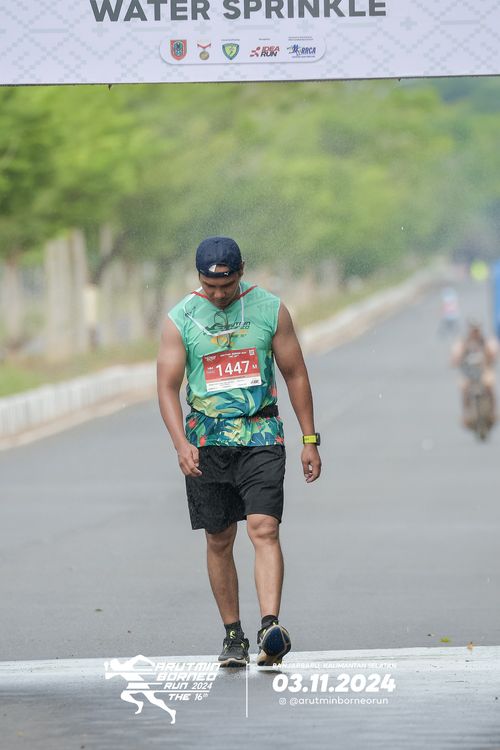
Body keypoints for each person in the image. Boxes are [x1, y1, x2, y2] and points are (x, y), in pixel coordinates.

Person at [157, 236, 321, 668]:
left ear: (241, 271)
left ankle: (270, 627)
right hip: (206, 443)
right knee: (219, 537)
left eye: (226, 286)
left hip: (261, 434)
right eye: (210, 286)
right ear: (199, 278)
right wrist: (180, 444)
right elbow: (167, 387)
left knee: (264, 528)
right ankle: (233, 635)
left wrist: (309, 439)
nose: (218, 294)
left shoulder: (270, 309)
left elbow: (295, 373)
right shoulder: (180, 318)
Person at [451, 320, 497, 428]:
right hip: (468, 372)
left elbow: (493, 353)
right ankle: (466, 414)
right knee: (464, 388)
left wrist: (490, 356)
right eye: (473, 330)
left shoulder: (486, 341)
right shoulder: (463, 342)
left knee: (489, 385)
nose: (475, 332)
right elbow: (455, 356)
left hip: (483, 370)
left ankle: (493, 411)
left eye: (477, 330)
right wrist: (456, 359)